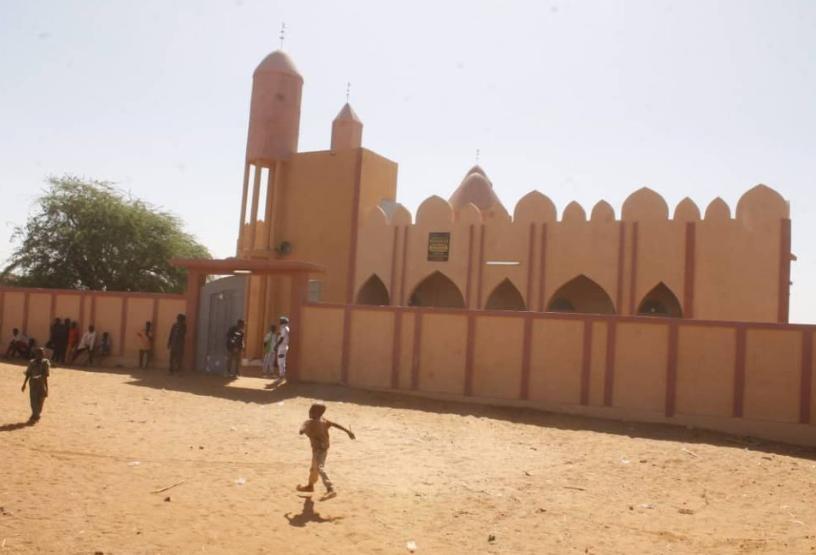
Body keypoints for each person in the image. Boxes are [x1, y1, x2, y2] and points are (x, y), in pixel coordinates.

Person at [297, 403, 355, 499]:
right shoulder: (323, 420)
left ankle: (330, 489)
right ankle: (310, 486)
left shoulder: (309, 422)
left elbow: (301, 429)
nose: (309, 412)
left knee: (320, 468)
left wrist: (302, 430)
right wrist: (348, 432)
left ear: (317, 413)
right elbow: (335, 424)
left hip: (319, 450)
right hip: (321, 449)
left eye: (311, 411)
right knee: (314, 468)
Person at [21, 347, 50, 422]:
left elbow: (46, 375)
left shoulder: (45, 363)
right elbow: (28, 373)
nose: (40, 355)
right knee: (33, 399)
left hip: (41, 383)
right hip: (33, 383)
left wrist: (47, 388)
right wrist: (24, 384)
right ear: (36, 354)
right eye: (38, 353)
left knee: (40, 399)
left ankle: (37, 413)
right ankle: (35, 414)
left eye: (41, 353)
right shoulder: (32, 362)